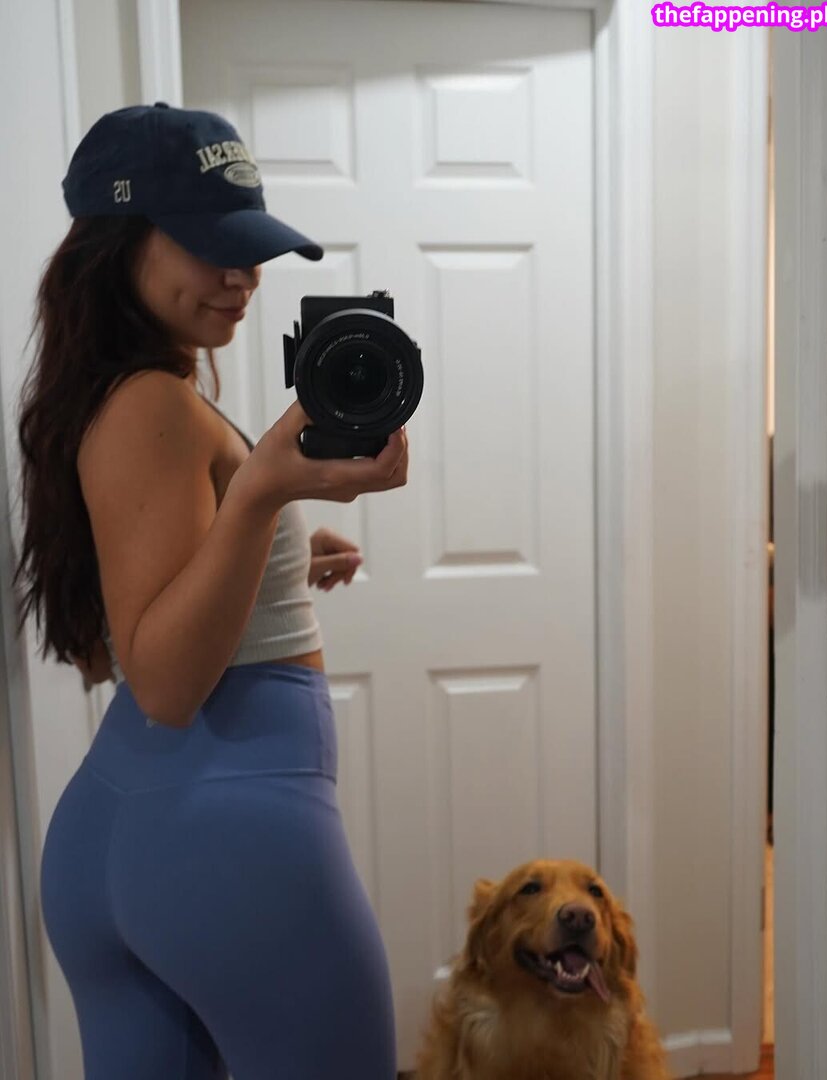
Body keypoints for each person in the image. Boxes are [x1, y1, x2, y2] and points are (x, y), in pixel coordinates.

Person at [12, 103, 408, 1080]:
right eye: (210, 245)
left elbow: (118, 631)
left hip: (121, 831)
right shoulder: (154, 403)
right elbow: (164, 683)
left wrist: (274, 551)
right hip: (228, 842)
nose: (243, 276)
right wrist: (263, 490)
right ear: (119, 241)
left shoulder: (105, 397)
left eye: (251, 248)